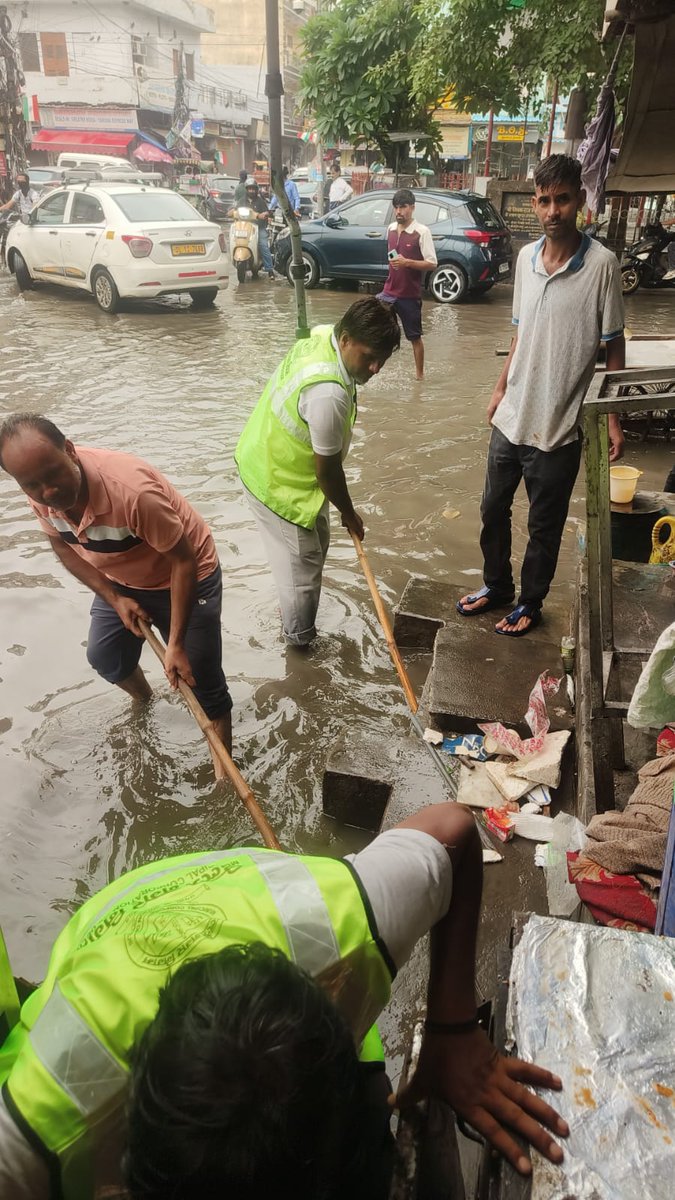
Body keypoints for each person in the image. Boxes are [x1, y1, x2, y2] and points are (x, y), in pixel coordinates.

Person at [0, 802, 569, 1199]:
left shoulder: (350, 929)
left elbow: (454, 828)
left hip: (253, 910)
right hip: (118, 927)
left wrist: (453, 1033)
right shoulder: (31, 1142)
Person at [0, 414, 233, 772]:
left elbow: (184, 561)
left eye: (53, 475)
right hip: (123, 578)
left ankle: (223, 782)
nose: (49, 492)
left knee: (201, 681)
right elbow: (63, 547)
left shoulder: (132, 493)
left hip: (184, 575)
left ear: (70, 451)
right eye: (32, 485)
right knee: (105, 656)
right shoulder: (41, 496)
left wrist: (176, 645)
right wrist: (115, 598)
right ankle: (145, 701)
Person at [458, 154, 625, 637]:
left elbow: (614, 345)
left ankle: (530, 602)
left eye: (563, 200)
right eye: (545, 201)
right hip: (512, 414)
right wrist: (497, 388)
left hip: (559, 424)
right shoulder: (527, 261)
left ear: (581, 201)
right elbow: (519, 335)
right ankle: (497, 586)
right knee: (492, 508)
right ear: (534, 204)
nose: (554, 211)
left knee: (543, 525)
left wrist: (612, 418)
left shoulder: (603, 266)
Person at [235, 297, 401, 647]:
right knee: (304, 569)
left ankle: (292, 611)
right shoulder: (328, 394)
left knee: (316, 547)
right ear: (345, 340)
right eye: (369, 357)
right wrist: (349, 513)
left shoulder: (325, 336)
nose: (375, 368)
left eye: (381, 361)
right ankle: (298, 641)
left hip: (273, 457)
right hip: (278, 483)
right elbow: (328, 471)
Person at [376, 188, 437, 380]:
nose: (399, 211)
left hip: (409, 296)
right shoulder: (391, 229)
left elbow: (432, 263)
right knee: (375, 325)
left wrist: (407, 262)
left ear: (412, 208)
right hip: (388, 291)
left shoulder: (422, 232)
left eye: (403, 207)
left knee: (415, 338)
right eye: (396, 207)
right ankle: (375, 368)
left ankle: (420, 376)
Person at [240, 180, 275, 279]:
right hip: (245, 228)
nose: (251, 191)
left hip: (259, 228)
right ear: (246, 190)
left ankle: (270, 270)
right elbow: (235, 210)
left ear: (256, 190)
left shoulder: (260, 201)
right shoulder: (242, 201)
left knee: (263, 245)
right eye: (249, 189)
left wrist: (266, 214)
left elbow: (268, 212)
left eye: (253, 189)